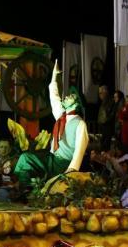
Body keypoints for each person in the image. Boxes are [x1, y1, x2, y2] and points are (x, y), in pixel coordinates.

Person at [14, 61, 89, 190]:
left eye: (70, 96)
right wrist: (54, 76)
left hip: (63, 163)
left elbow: (79, 150)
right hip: (52, 159)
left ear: (76, 104)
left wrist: (71, 171)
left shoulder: (80, 124)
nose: (65, 97)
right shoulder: (62, 117)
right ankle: (25, 191)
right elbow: (54, 97)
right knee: (25, 158)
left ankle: (26, 192)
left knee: (27, 160)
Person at [97, 85, 116, 152]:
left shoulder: (110, 101)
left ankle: (105, 154)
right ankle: (103, 153)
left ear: (106, 92)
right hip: (103, 123)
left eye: (101, 93)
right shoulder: (104, 101)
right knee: (103, 139)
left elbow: (112, 113)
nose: (99, 95)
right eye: (99, 93)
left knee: (106, 140)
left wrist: (107, 120)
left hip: (107, 124)